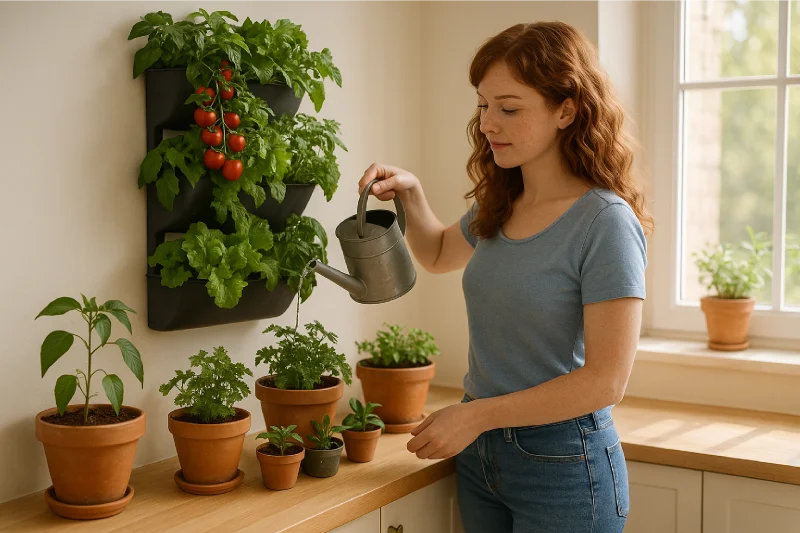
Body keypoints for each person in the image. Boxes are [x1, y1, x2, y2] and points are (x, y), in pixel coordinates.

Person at [358, 21, 651, 533]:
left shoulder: (605, 222)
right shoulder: (503, 202)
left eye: (509, 108)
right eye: (483, 105)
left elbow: (607, 381)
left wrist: (475, 416)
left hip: (563, 465)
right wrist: (411, 192)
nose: (489, 123)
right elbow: (440, 253)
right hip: (481, 457)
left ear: (567, 109)